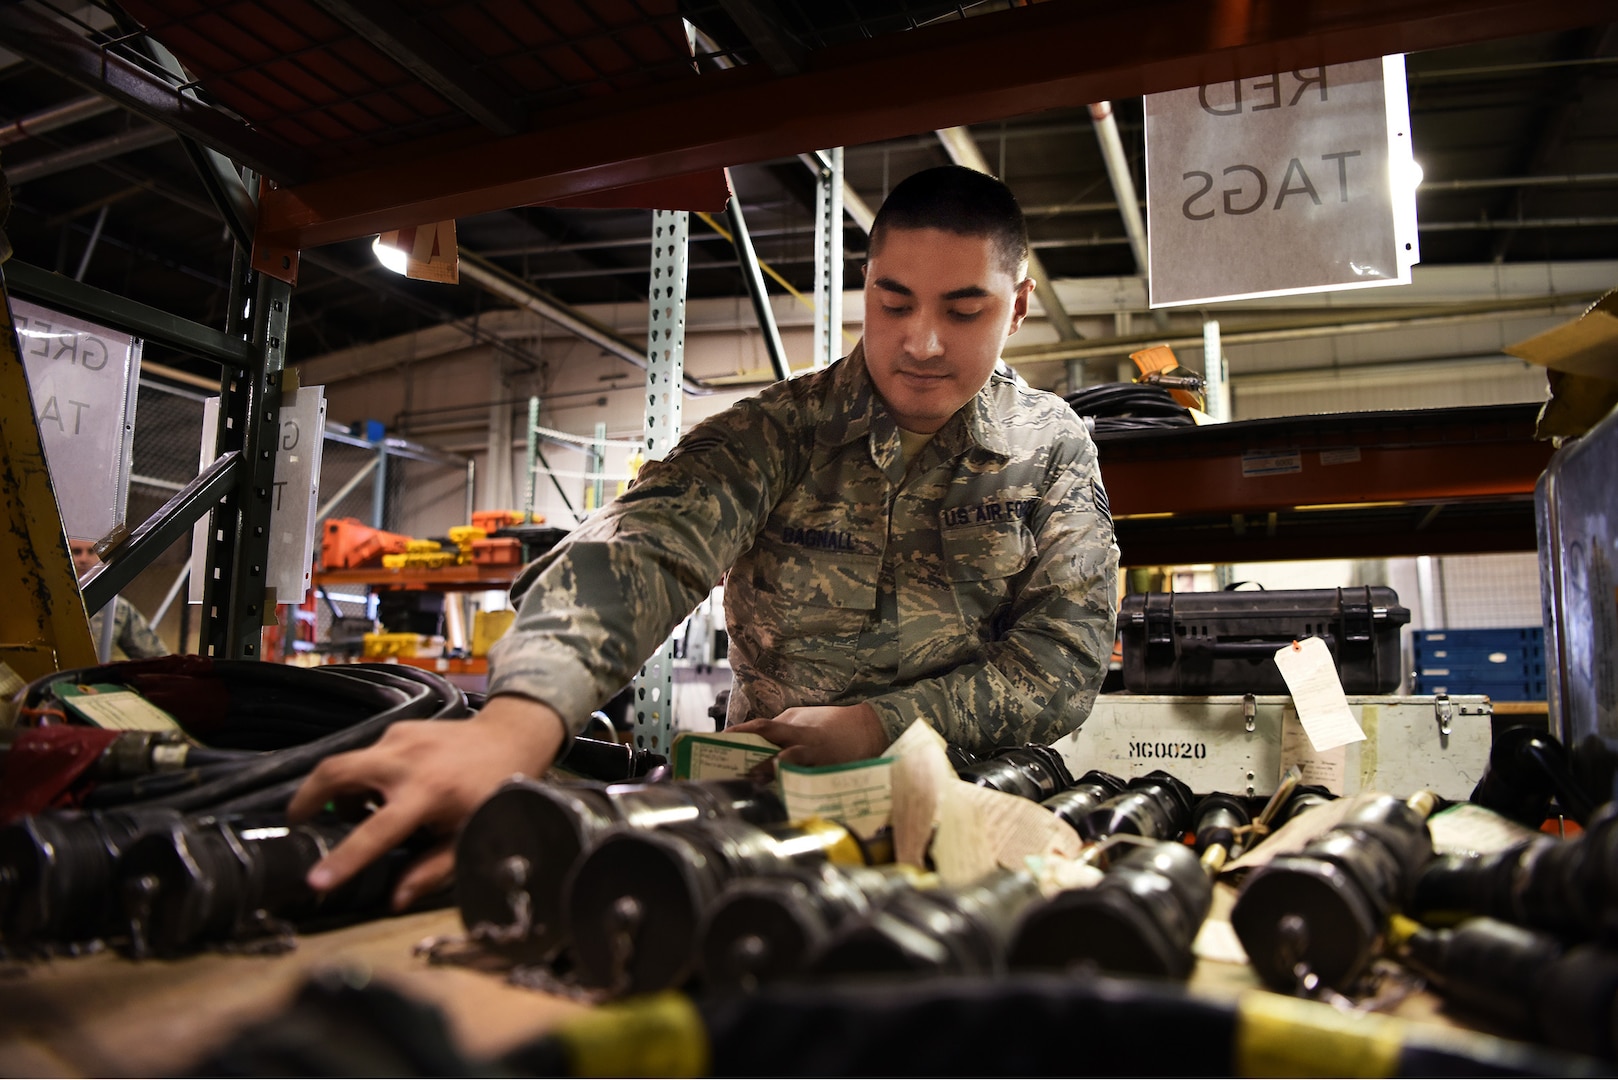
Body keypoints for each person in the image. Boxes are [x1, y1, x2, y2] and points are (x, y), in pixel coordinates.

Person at [289, 165, 1120, 907]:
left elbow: (1063, 661)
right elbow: (648, 542)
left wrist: (881, 725)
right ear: (865, 286)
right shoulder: (783, 429)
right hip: (765, 813)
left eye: (964, 309)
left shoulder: (1051, 448)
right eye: (892, 302)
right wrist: (518, 723)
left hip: (974, 818)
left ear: (1017, 306)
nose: (921, 342)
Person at [69, 539, 171, 660]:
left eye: (92, 552)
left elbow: (158, 658)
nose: (84, 559)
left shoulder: (115, 608)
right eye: (76, 552)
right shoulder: (46, 603)